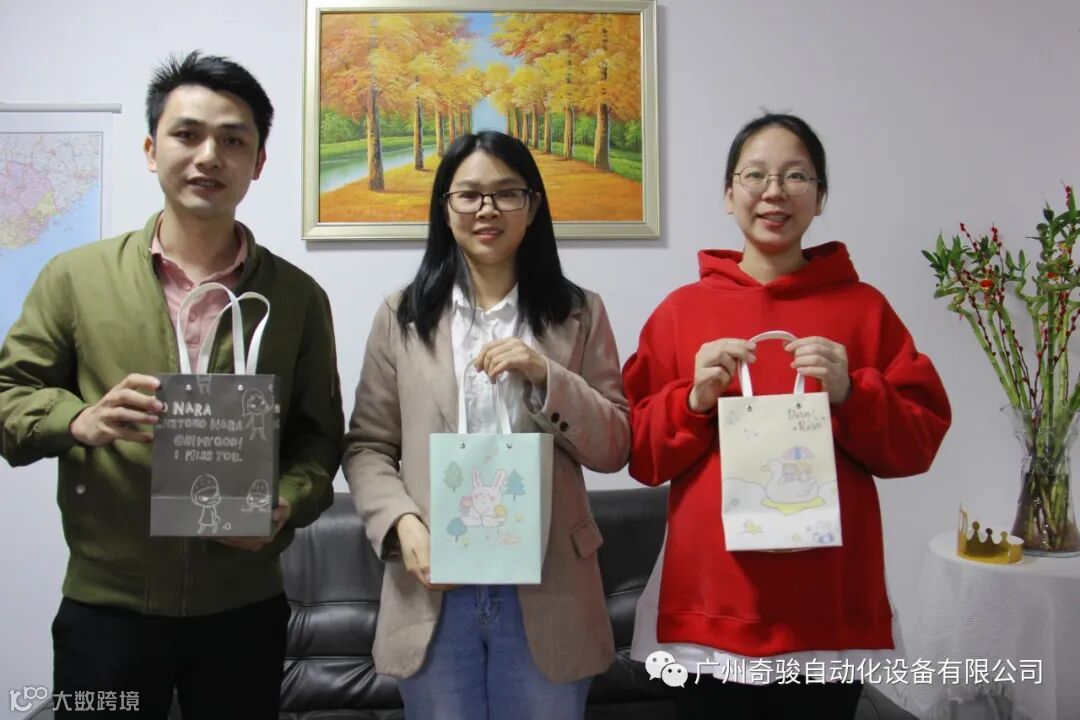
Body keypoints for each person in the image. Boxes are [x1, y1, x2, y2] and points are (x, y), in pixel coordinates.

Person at [0, 51, 343, 718]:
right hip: (107, 608)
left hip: (243, 609)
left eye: (233, 140)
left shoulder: (297, 297)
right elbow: (9, 397)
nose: (209, 156)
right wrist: (77, 420)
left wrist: (287, 501)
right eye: (187, 134)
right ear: (152, 149)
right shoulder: (75, 279)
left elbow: (319, 437)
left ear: (258, 162)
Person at [622, 113, 951, 719]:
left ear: (820, 197)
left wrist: (854, 392)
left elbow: (918, 443)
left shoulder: (864, 309)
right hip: (713, 604)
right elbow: (640, 454)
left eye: (796, 176)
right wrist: (692, 401)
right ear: (729, 194)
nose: (774, 191)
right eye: (755, 175)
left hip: (829, 602)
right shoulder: (680, 313)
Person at [342, 130, 629, 720]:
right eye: (469, 194)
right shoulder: (402, 316)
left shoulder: (580, 312)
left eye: (507, 193)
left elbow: (615, 445)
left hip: (549, 583)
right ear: (445, 208)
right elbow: (368, 445)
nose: (487, 209)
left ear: (534, 205)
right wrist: (400, 523)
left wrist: (547, 376)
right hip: (435, 585)